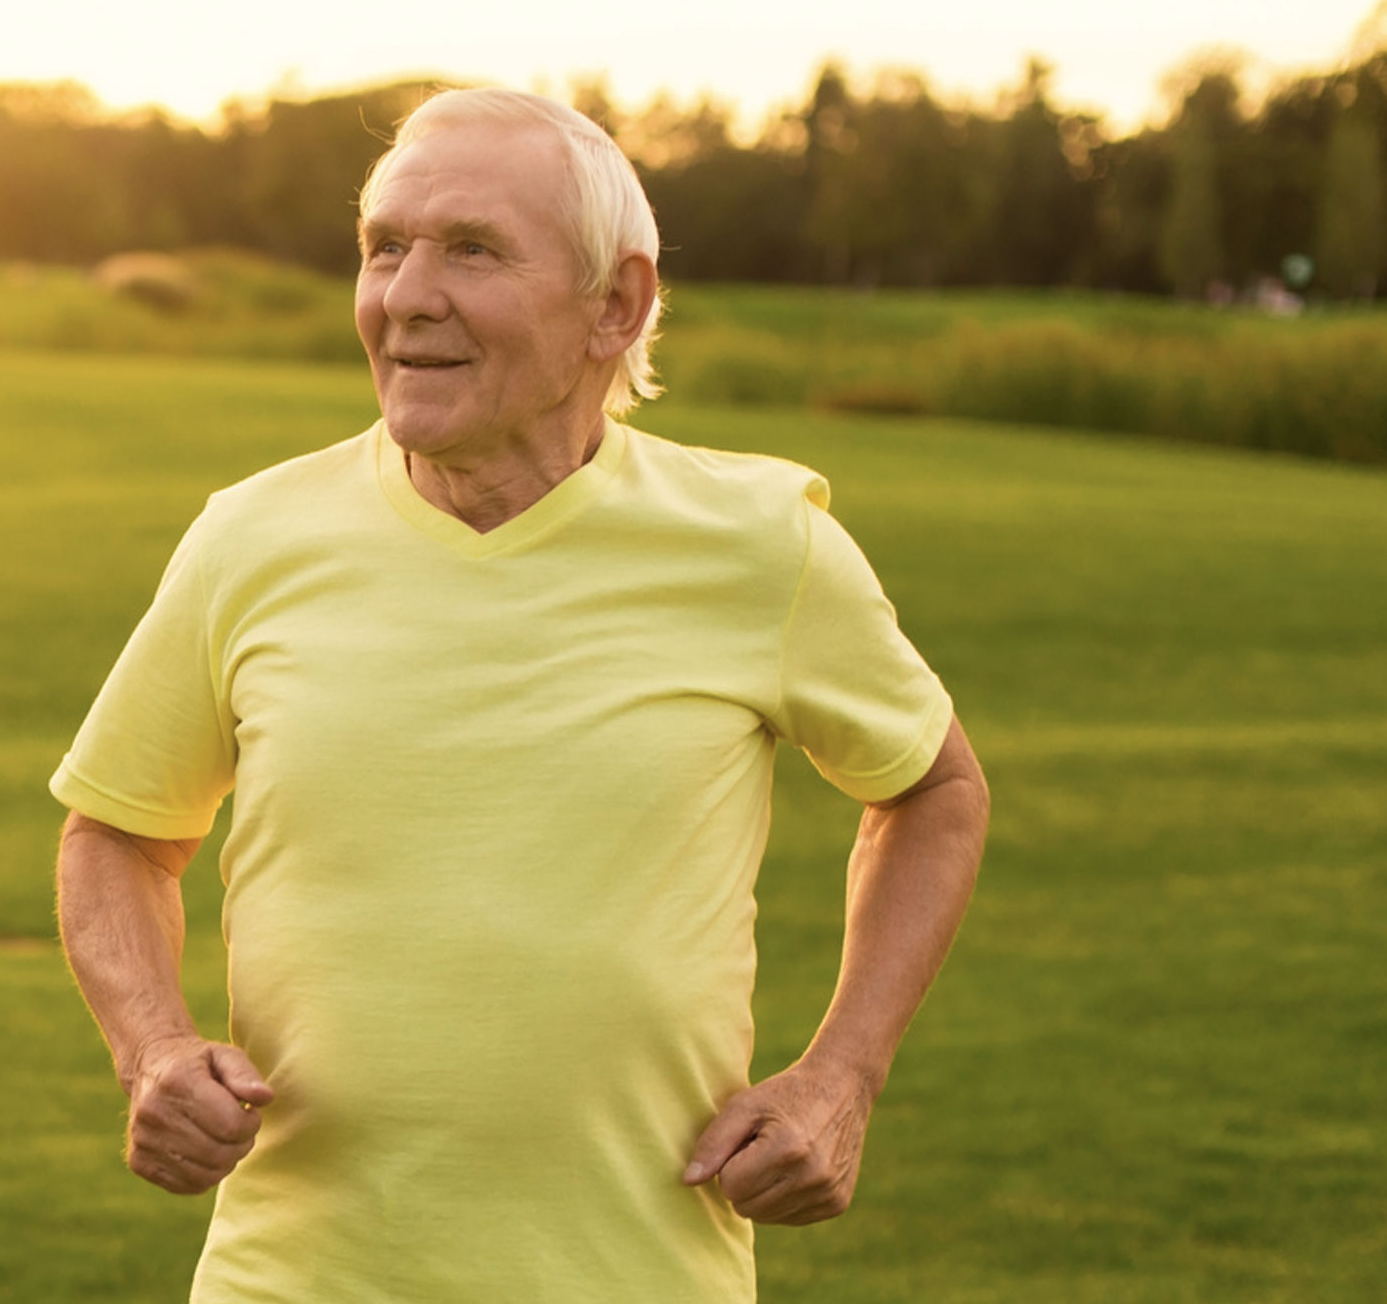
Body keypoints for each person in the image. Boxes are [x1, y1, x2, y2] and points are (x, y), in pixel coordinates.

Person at [50, 88, 989, 1301]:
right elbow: (116, 832)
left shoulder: (760, 545)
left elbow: (936, 790)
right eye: (385, 247)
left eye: (472, 251)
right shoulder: (249, 540)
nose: (407, 295)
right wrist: (153, 1051)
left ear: (618, 306)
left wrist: (843, 1076)